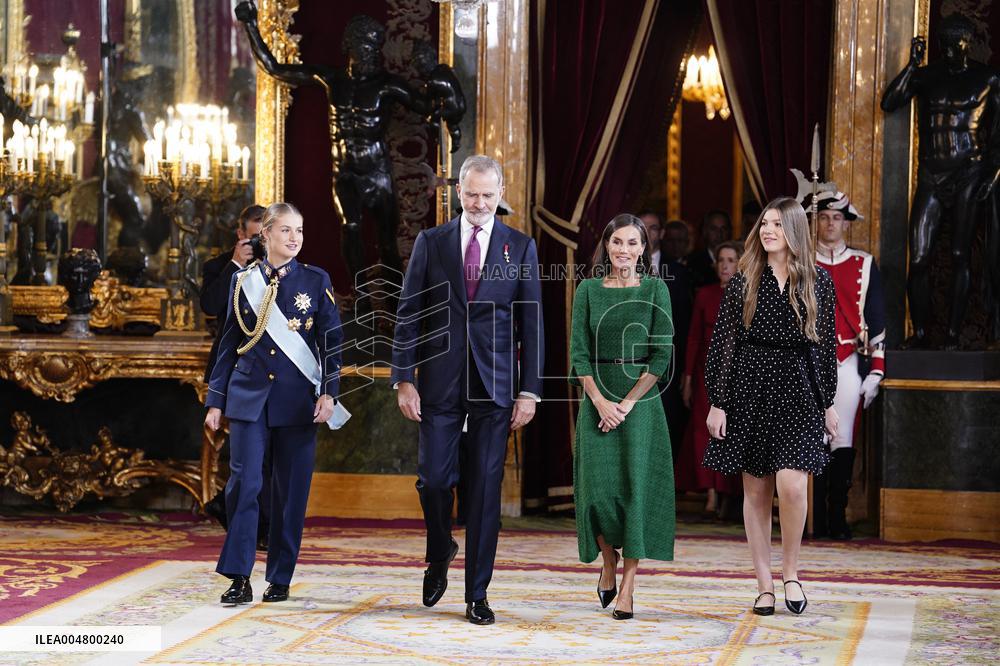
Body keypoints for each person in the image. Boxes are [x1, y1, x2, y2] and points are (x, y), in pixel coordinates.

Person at [391, 155, 543, 625]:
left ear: (500, 196)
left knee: (483, 490)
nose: (480, 203)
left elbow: (531, 323)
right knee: (434, 480)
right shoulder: (431, 242)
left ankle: (477, 593)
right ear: (459, 193)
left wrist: (530, 391)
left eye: (489, 196)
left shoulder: (519, 246)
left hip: (495, 385)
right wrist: (403, 378)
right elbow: (409, 311)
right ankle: (440, 548)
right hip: (439, 379)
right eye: (472, 194)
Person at [702, 197, 837, 616]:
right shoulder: (744, 279)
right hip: (750, 388)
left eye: (777, 224)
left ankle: (791, 572)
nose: (767, 230)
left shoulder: (819, 282)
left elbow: (824, 346)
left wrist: (827, 402)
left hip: (797, 389)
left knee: (793, 486)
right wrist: (717, 402)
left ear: (793, 230)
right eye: (764, 223)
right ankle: (764, 585)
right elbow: (725, 343)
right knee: (756, 492)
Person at [204, 202, 344, 606]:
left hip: (297, 401)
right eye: (285, 230)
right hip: (248, 399)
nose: (294, 238)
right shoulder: (242, 282)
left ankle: (280, 576)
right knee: (243, 487)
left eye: (299, 230)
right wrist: (217, 399)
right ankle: (238, 576)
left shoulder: (316, 282)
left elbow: (331, 344)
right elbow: (228, 344)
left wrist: (329, 392)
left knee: (290, 493)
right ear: (265, 235)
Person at [570, 214, 675, 621]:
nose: (624, 251)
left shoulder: (655, 289)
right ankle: (608, 561)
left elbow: (661, 355)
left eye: (633, 243)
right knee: (596, 492)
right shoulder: (588, 290)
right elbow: (578, 352)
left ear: (643, 248)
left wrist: (628, 404)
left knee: (636, 491)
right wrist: (599, 401)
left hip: (641, 404)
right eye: (617, 242)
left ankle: (629, 584)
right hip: (596, 396)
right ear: (607, 245)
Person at [811, 191, 885, 540]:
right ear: (816, 221)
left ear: (845, 223)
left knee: (841, 437)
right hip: (805, 363)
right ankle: (815, 520)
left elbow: (877, 319)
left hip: (846, 360)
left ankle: (836, 515)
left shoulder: (863, 263)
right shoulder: (801, 260)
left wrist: (876, 371)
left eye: (836, 218)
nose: (830, 224)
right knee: (810, 440)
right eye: (824, 217)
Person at [200, 204, 268, 545]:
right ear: (241, 235)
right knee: (243, 453)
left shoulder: (281, 270)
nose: (258, 243)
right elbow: (212, 307)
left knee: (264, 453)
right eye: (253, 237)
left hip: (270, 370)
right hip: (232, 367)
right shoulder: (219, 267)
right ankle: (239, 516)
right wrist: (237, 265)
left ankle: (230, 510)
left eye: (264, 236)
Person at [676, 241, 742, 516]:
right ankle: (711, 495)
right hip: (706, 372)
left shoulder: (749, 293)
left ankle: (731, 495)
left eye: (730, 260)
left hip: (738, 373)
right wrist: (688, 377)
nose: (725, 265)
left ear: (740, 264)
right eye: (721, 260)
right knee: (704, 432)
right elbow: (692, 338)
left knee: (733, 433)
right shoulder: (704, 294)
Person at [640, 212, 692, 458]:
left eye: (653, 228)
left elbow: (683, 323)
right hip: (630, 361)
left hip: (668, 362)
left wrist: (683, 369)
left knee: (668, 421)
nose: (648, 233)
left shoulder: (679, 272)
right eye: (642, 227)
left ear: (661, 233)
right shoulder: (619, 267)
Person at [687, 209, 733, 287]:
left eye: (724, 228)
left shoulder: (739, 260)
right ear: (705, 231)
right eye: (714, 229)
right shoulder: (693, 262)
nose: (719, 233)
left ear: (729, 231)